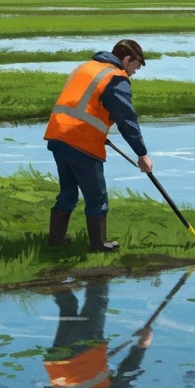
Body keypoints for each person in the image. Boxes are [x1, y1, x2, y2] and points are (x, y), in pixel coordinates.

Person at [44, 39, 152, 253]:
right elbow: (126, 119)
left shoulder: (85, 67)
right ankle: (99, 244)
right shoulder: (115, 77)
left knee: (68, 192)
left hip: (58, 135)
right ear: (127, 59)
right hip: (81, 141)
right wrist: (142, 154)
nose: (134, 73)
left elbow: (85, 103)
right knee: (97, 196)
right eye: (135, 66)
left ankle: (55, 240)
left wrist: (99, 130)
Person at [43, 281, 150, 388]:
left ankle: (97, 271)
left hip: (81, 354)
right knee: (68, 307)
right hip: (57, 362)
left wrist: (142, 346)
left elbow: (125, 377)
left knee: (98, 300)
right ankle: (52, 276)